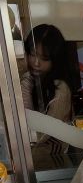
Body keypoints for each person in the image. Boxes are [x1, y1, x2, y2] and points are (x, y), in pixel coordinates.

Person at [21, 24, 72, 159]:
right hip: (32, 155)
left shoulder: (61, 89)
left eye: (44, 58)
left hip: (54, 158)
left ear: (56, 59)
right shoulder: (31, 79)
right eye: (32, 54)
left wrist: (26, 81)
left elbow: (39, 135)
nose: (36, 63)